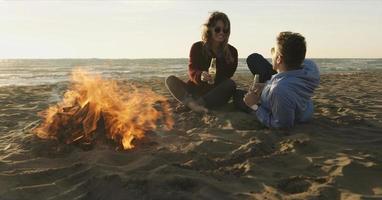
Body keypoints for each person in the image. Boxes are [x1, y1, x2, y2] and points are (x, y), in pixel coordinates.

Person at [234, 31, 320, 128]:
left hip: (276, 106)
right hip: (303, 106)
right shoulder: (311, 68)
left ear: (278, 59)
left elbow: (282, 125)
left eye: (273, 50)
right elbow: (288, 80)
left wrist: (254, 106)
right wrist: (266, 85)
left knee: (239, 96)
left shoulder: (280, 90)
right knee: (254, 59)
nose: (271, 53)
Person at [165, 11, 238, 113]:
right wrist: (201, 76)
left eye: (225, 30)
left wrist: (220, 60)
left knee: (230, 84)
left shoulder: (232, 52)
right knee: (170, 80)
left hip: (213, 95)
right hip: (195, 90)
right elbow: (192, 70)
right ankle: (193, 105)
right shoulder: (197, 47)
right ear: (209, 29)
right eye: (217, 29)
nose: (221, 32)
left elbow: (227, 76)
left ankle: (193, 105)